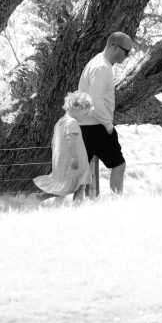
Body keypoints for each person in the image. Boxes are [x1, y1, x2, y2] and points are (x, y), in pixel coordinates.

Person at [78, 31, 133, 195]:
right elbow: (95, 101)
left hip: (85, 125)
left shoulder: (97, 62)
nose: (127, 56)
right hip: (97, 126)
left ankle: (39, 198)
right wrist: (109, 126)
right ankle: (117, 203)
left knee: (79, 173)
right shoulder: (101, 67)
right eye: (126, 52)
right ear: (115, 47)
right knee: (118, 165)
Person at [34, 91, 93, 203]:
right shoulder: (72, 123)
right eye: (85, 114)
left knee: (62, 188)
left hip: (62, 162)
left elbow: (54, 142)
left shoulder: (60, 122)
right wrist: (74, 157)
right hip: (76, 162)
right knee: (80, 185)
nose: (84, 117)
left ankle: (41, 197)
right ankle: (78, 206)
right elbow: (71, 140)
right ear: (78, 108)